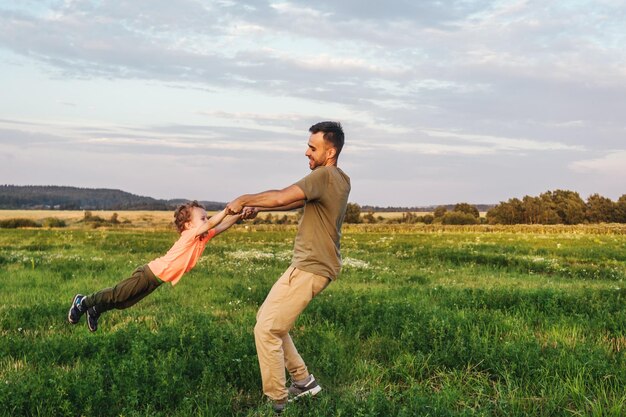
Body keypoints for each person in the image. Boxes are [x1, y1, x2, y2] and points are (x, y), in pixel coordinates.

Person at [227, 121, 351, 413]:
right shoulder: (340, 179)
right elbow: (292, 201)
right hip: (309, 265)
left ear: (330, 151)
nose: (306, 152)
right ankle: (304, 382)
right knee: (269, 321)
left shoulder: (324, 175)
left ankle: (277, 402)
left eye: (312, 147)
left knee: (267, 330)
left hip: (312, 267)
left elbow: (284, 195)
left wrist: (245, 198)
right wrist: (262, 207)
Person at [67, 201, 241, 332]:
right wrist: (226, 210)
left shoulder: (203, 236)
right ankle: (82, 302)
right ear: (188, 225)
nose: (207, 220)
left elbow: (220, 227)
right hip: (148, 274)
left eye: (207, 217)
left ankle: (96, 309)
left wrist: (239, 216)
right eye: (203, 218)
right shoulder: (190, 235)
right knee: (116, 293)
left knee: (124, 302)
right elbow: (213, 224)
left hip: (156, 281)